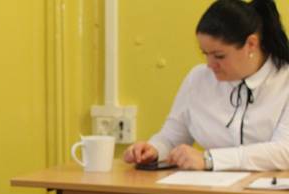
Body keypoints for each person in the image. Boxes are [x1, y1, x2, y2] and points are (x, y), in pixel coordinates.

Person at [124, 0, 289, 171]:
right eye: (205, 54)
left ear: (251, 44)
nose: (210, 64)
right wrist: (154, 149)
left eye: (219, 56)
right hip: (209, 192)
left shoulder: (284, 81)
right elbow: (172, 138)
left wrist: (210, 159)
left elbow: (284, 152)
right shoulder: (198, 78)